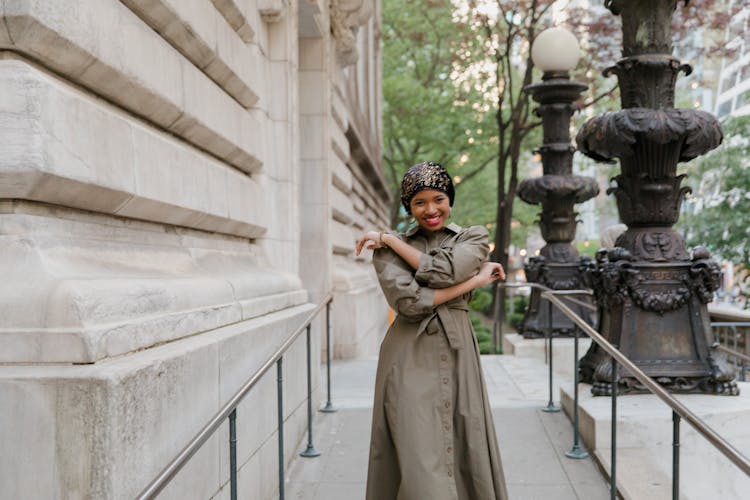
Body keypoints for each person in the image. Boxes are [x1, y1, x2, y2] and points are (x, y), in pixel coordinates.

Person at [355, 161, 509, 500]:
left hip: (458, 352)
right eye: (419, 202)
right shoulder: (386, 251)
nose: (430, 209)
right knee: (415, 450)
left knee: (466, 437)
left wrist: (390, 241)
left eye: (438, 199)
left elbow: (442, 272)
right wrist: (476, 280)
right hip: (407, 355)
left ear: (449, 199)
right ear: (408, 208)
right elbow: (408, 304)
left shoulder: (473, 237)